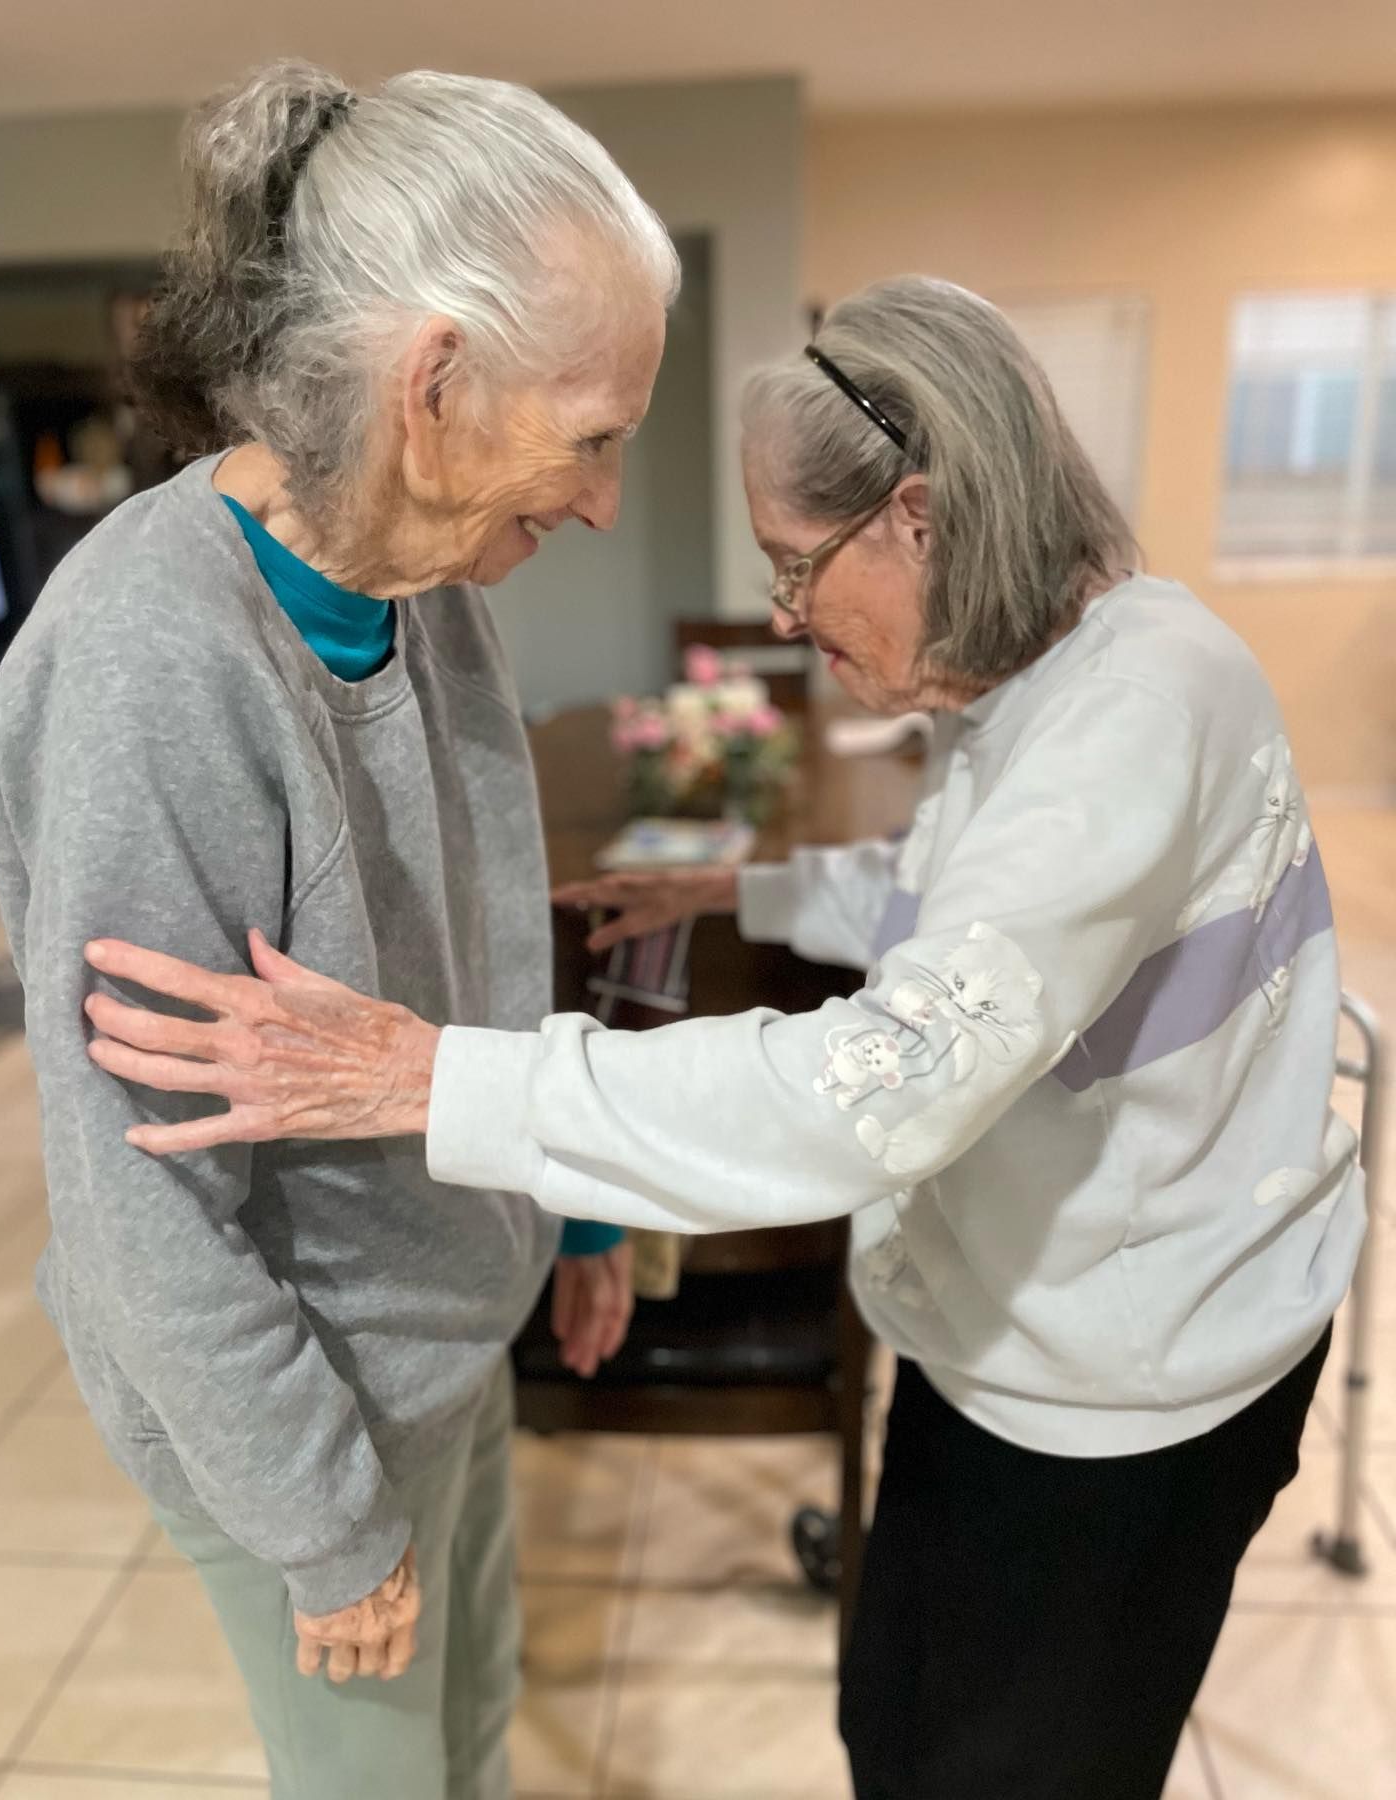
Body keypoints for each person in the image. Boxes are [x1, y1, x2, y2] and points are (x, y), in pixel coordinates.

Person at [71, 277, 1361, 1800]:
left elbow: (873, 1086)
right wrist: (739, 886)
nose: (783, 613)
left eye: (797, 565)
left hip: (1132, 1393)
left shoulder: (1138, 710)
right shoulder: (1039, 673)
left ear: (922, 519)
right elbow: (964, 903)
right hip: (1009, 1345)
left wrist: (431, 1078)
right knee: (896, 1724)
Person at [0, 59, 680, 1800]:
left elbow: (489, 942)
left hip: (443, 1337)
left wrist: (573, 1204)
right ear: (432, 385)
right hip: (308, 1406)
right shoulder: (157, 659)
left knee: (478, 1740)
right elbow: (142, 1199)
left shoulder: (427, 584)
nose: (600, 497)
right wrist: (322, 1518)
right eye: (591, 436)